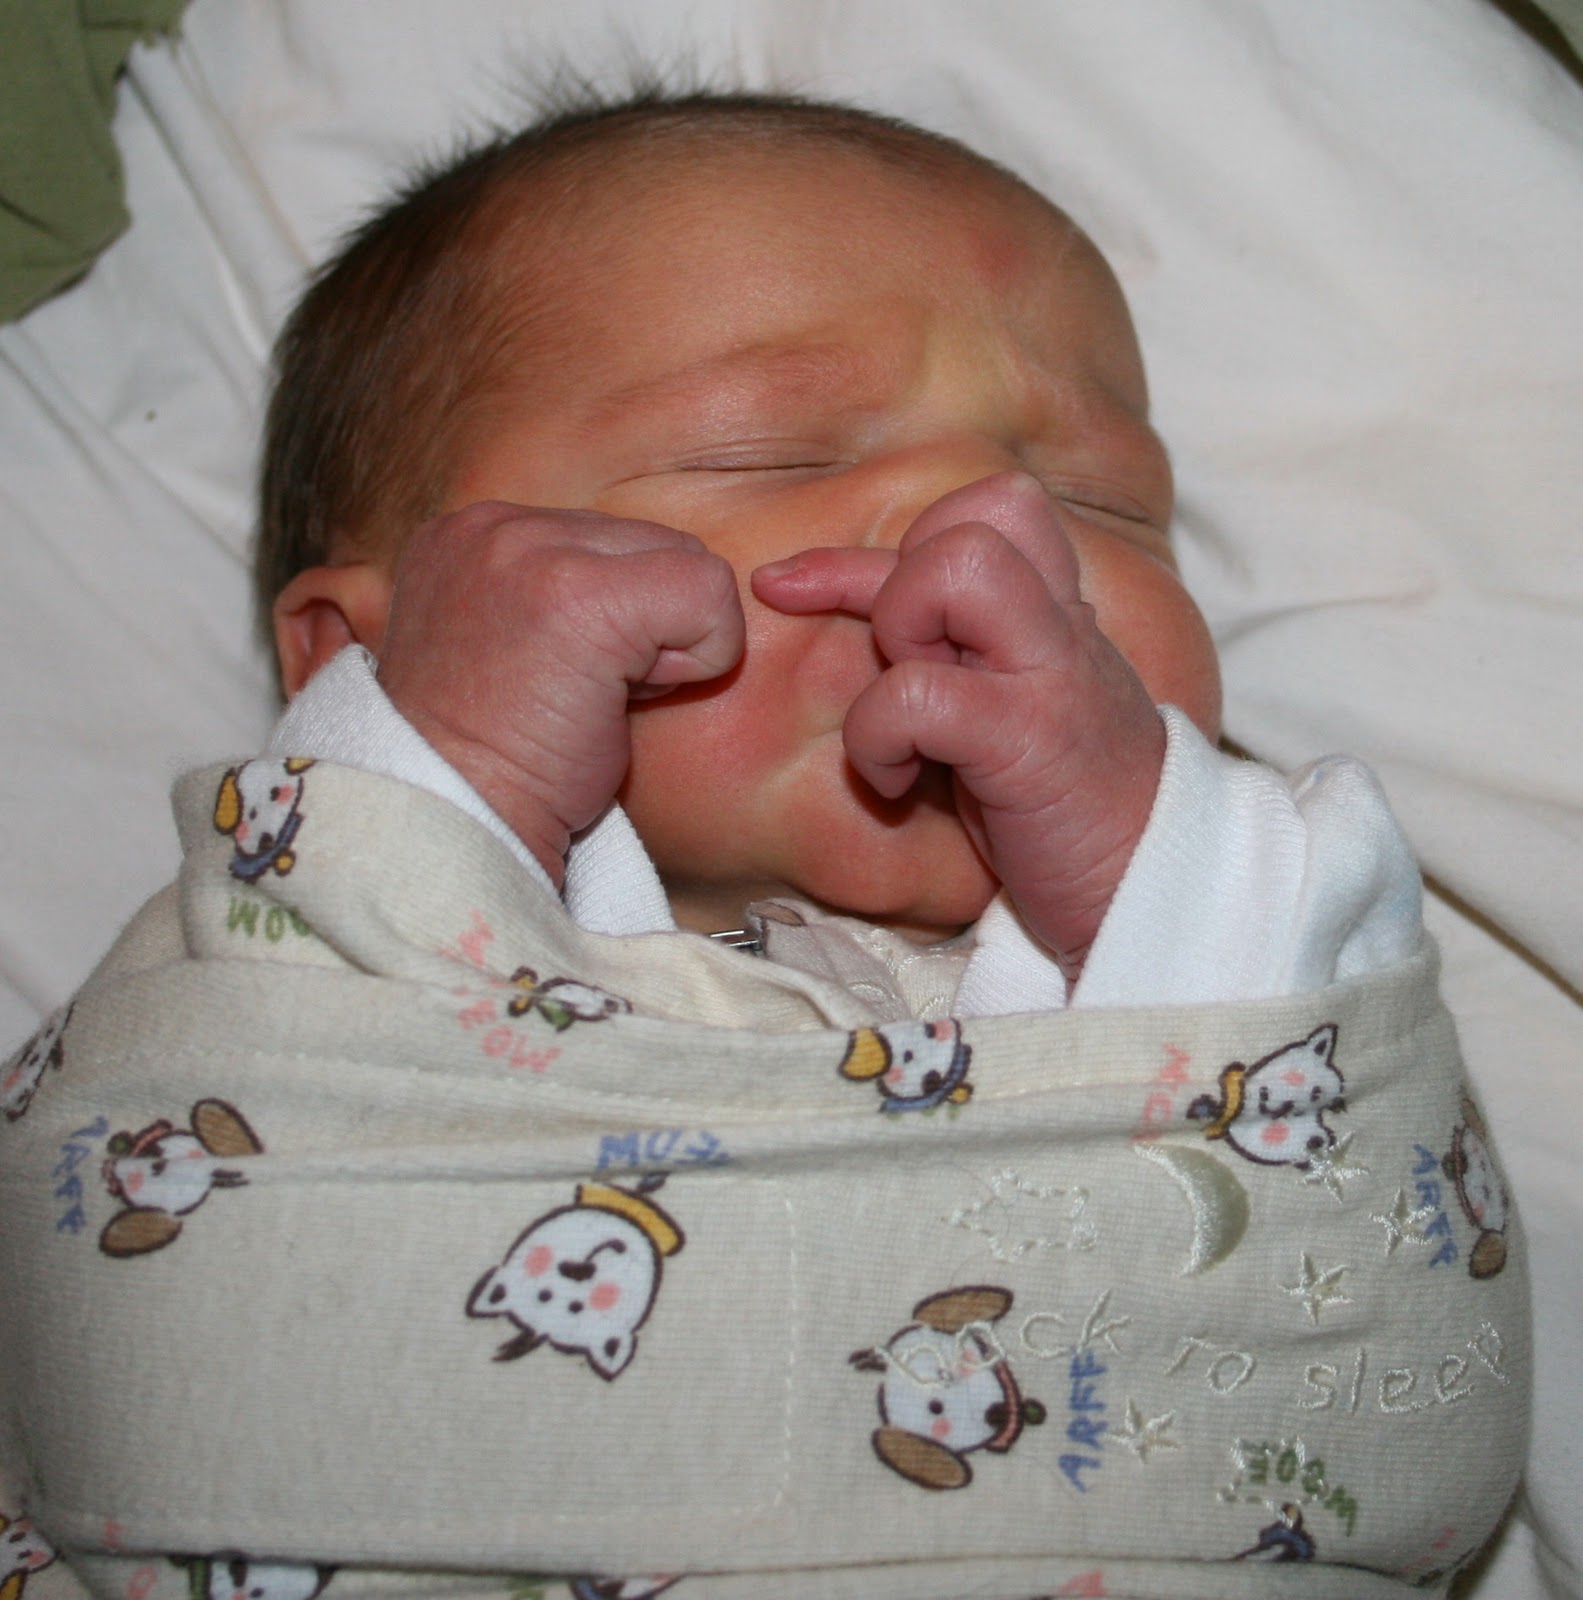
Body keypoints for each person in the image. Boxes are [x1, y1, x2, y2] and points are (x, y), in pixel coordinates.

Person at [0, 90, 1526, 1600]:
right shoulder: (284, 986)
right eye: (765, 452)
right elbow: (146, 1320)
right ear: (362, 659)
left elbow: (1392, 1382)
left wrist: (1167, 883)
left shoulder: (1219, 959)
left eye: (1102, 503)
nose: (985, 525)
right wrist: (431, 775)